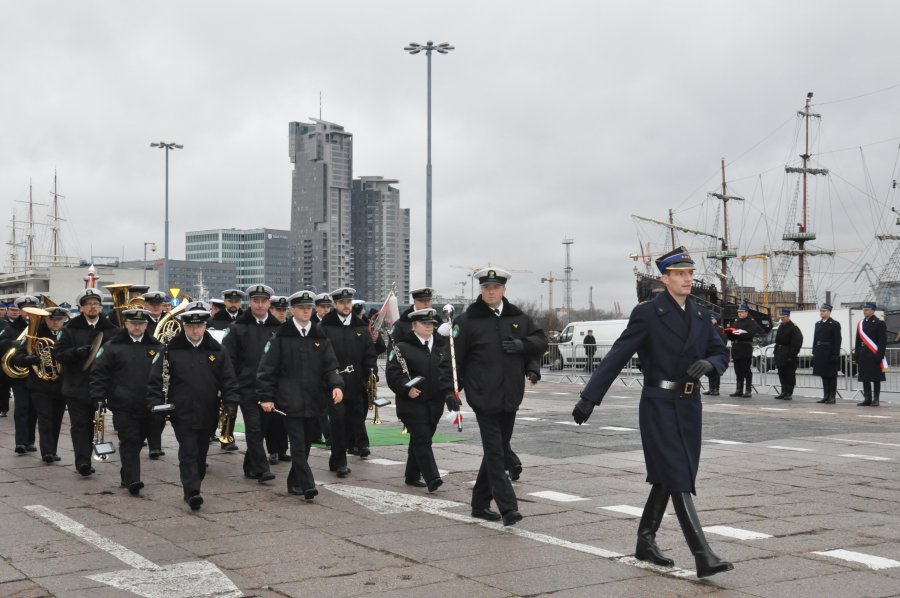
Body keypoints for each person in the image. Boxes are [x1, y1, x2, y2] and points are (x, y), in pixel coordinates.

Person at [572, 246, 733, 579]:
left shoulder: (701, 316)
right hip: (659, 404)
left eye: (690, 274)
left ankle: (645, 541)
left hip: (690, 406)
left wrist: (711, 363)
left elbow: (720, 352)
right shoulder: (648, 313)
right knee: (677, 475)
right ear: (665, 278)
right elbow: (618, 353)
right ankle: (703, 555)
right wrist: (590, 397)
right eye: (680, 274)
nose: (687, 279)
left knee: (669, 475)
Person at [454, 267, 546, 527]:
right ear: (481, 290)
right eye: (486, 287)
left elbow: (539, 341)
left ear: (504, 289)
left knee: (498, 450)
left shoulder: (518, 317)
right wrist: (451, 392)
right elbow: (453, 362)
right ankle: (508, 507)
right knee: (495, 452)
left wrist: (523, 348)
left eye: (495, 287)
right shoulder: (466, 321)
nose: (491, 291)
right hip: (483, 396)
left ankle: (479, 504)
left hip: (511, 395)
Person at [147, 303, 239, 511]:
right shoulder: (171, 350)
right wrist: (155, 404)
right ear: (184, 327)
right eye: (190, 327)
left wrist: (231, 403)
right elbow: (156, 380)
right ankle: (192, 491)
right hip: (181, 410)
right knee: (188, 451)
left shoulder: (218, 350)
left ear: (205, 326)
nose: (195, 331)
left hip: (209, 409)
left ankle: (194, 482)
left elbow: (229, 381)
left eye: (199, 327)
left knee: (201, 452)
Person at [257, 290, 344, 500]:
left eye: (309, 308)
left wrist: (336, 385)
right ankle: (308, 485)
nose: (306, 311)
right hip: (289, 400)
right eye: (302, 308)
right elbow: (267, 370)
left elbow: (330, 365)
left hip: (313, 399)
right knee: (297, 445)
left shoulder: (319, 336)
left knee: (305, 446)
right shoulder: (281, 337)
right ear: (292, 310)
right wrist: (266, 397)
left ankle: (293, 482)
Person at [89, 308, 162, 495]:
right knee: (129, 440)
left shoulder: (157, 347)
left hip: (149, 404)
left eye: (141, 324)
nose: (137, 327)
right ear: (126, 324)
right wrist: (99, 396)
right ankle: (133, 480)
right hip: (123, 404)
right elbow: (99, 373)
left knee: (139, 440)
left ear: (146, 325)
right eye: (133, 323)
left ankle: (126, 473)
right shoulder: (112, 346)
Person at [387, 308, 455, 492]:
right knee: (423, 439)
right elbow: (393, 374)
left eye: (431, 324)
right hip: (411, 403)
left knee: (420, 439)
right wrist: (405, 388)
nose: (429, 327)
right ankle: (432, 477)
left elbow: (448, 371)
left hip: (434, 403)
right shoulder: (402, 347)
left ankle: (412, 474)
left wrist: (450, 393)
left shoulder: (441, 346)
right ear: (414, 326)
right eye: (424, 324)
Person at [53, 288, 118, 476]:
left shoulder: (112, 330)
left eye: (96, 304)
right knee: (80, 425)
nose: (93, 307)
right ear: (81, 308)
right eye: (88, 304)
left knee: (95, 424)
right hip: (76, 386)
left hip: (102, 387)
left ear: (100, 307)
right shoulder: (70, 329)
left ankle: (92, 455)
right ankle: (83, 462)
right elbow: (58, 354)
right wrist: (76, 352)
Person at [222, 284, 279, 484]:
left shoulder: (278, 329)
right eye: (256, 301)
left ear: (269, 303)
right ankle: (262, 469)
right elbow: (228, 359)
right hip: (247, 387)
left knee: (262, 429)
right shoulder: (237, 327)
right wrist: (232, 385)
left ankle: (249, 466)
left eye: (264, 301)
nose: (260, 305)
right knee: (254, 428)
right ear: (250, 302)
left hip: (270, 389)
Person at [319, 287, 378, 469]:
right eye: (342, 303)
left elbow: (369, 354)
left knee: (356, 418)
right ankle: (339, 461)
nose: (346, 306)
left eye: (348, 302)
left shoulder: (360, 327)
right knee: (337, 422)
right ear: (335, 304)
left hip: (356, 383)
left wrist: (371, 375)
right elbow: (320, 355)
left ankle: (355, 447)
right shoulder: (325, 327)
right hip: (333, 384)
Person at [11, 306, 68, 462]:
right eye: (52, 319)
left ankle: (53, 450)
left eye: (59, 320)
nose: (55, 323)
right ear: (45, 319)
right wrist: (29, 360)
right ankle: (47, 452)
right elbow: (18, 356)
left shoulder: (68, 335)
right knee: (45, 418)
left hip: (61, 384)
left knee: (57, 419)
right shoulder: (35, 335)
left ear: (64, 320)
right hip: (39, 384)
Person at [2, 296, 40, 453]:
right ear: (21, 310)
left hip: (37, 373)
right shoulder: (11, 328)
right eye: (25, 309)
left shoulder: (41, 326)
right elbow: (1, 341)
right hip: (20, 374)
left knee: (34, 409)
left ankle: (30, 441)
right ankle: (20, 442)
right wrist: (12, 343)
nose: (28, 312)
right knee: (21, 408)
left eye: (32, 308)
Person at [140, 290, 168, 459]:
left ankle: (154, 445)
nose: (156, 307)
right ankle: (151, 443)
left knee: (161, 411)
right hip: (144, 370)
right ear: (145, 305)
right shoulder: (140, 322)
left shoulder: (172, 322)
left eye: (158, 304)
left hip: (164, 372)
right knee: (147, 410)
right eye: (152, 304)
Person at [855, 302, 887, 407]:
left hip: (874, 354)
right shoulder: (861, 323)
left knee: (876, 378)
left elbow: (882, 341)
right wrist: (857, 355)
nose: (865, 311)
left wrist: (880, 355)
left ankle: (876, 399)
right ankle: (867, 398)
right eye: (864, 309)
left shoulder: (879, 323)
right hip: (863, 354)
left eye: (867, 309)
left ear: (873, 311)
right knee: (865, 378)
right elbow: (857, 341)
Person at [725, 306, 760, 398]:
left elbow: (750, 334)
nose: (739, 313)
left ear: (746, 312)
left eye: (742, 312)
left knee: (746, 370)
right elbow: (732, 335)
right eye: (738, 312)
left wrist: (739, 334)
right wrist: (730, 334)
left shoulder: (751, 322)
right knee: (738, 371)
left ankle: (748, 390)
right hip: (736, 348)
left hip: (745, 348)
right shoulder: (736, 322)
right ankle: (739, 389)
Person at [813, 303, 842, 404]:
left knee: (831, 376)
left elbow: (837, 340)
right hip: (820, 352)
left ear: (829, 312)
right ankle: (825, 396)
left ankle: (832, 397)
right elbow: (815, 338)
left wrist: (835, 354)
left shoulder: (834, 324)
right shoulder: (818, 324)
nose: (821, 313)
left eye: (824, 311)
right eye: (821, 311)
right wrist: (814, 351)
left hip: (829, 351)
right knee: (823, 375)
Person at [773, 309, 803, 401]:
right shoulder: (781, 326)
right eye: (781, 317)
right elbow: (778, 341)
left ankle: (789, 393)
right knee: (781, 373)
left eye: (784, 317)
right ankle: (783, 391)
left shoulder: (794, 328)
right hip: (780, 353)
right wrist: (776, 352)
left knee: (789, 374)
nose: (782, 319)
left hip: (789, 354)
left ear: (788, 317)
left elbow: (797, 343)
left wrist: (791, 356)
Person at [702, 314, 725, 396]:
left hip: (716, 352)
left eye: (712, 319)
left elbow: (723, 340)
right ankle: (711, 388)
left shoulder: (719, 329)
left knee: (716, 371)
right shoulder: (706, 328)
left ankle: (716, 389)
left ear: (715, 320)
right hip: (708, 352)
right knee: (709, 371)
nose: (710, 320)